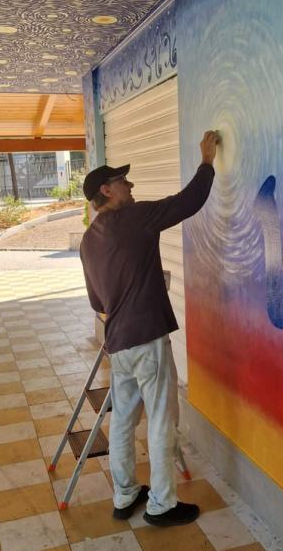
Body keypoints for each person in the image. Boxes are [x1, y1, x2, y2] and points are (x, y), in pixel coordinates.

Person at [80, 131, 219, 526]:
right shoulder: (134, 219)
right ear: (107, 190)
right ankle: (162, 504)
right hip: (147, 340)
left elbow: (97, 303)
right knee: (160, 417)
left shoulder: (88, 242)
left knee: (123, 418)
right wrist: (206, 162)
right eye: (124, 181)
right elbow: (187, 203)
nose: (131, 185)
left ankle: (125, 495)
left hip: (119, 344)